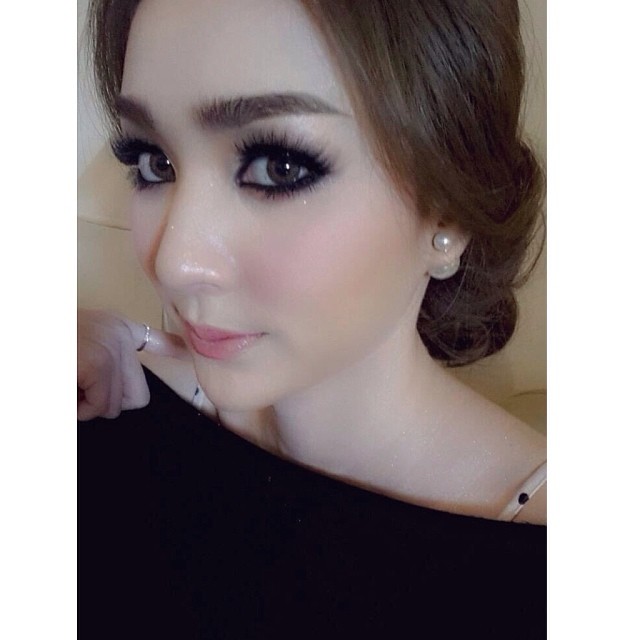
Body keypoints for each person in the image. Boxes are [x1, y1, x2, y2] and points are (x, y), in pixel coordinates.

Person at [78, 0, 547, 636]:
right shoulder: (109, 407)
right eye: (153, 161)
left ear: (448, 210)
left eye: (279, 168)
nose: (174, 261)